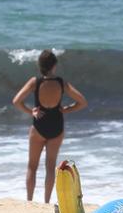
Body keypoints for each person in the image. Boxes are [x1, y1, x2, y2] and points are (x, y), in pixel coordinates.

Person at [11, 50, 88, 203]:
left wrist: (30, 111)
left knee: (32, 167)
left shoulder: (35, 82)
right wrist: (66, 109)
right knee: (50, 166)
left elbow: (16, 101)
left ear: (40, 66)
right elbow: (82, 102)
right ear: (54, 66)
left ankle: (30, 201)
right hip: (56, 126)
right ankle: (46, 202)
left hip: (39, 126)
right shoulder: (61, 83)